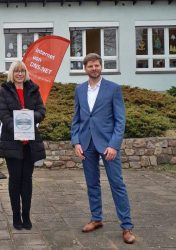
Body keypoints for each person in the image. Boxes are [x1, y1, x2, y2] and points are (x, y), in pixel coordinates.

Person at [71, 53, 136, 244]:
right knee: (92, 184)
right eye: (90, 66)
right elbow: (76, 119)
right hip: (87, 144)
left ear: (101, 66)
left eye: (97, 65)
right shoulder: (79, 90)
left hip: (108, 145)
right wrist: (76, 142)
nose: (94, 68)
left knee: (117, 185)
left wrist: (114, 145)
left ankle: (127, 227)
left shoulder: (113, 89)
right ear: (85, 68)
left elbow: (120, 120)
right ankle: (96, 218)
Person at [0, 60, 46, 230]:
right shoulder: (4, 91)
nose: (19, 74)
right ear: (12, 73)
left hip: (30, 144)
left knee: (27, 180)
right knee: (15, 180)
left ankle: (26, 215)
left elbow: (41, 111)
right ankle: (16, 216)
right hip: (13, 142)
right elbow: (3, 114)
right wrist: (17, 128)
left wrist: (30, 116)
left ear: (26, 73)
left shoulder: (33, 89)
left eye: (22, 71)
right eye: (16, 71)